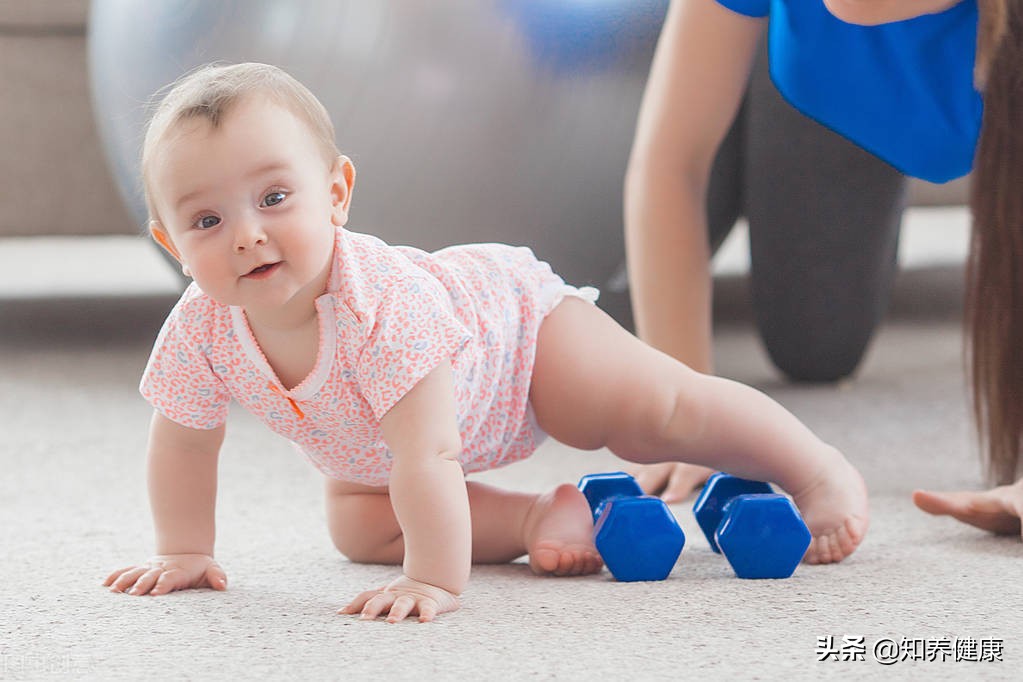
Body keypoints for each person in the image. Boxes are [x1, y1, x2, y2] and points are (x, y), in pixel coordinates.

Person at [102, 62, 869, 622]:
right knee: (361, 527)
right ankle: (538, 519)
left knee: (655, 411)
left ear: (335, 194)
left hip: (515, 347)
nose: (247, 235)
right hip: (375, 455)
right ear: (171, 243)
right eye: (207, 221)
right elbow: (183, 446)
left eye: (274, 198)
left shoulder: (378, 309)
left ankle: (815, 468)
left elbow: (429, 454)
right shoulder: (201, 325)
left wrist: (433, 580)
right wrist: (184, 550)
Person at [624, 0, 1023, 532]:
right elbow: (672, 161)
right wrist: (688, 413)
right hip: (796, 70)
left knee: (815, 344)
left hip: (880, 98)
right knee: (594, 300)